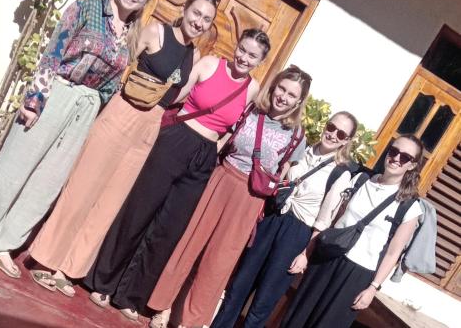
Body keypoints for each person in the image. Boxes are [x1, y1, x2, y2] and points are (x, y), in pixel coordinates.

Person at [0, 0, 157, 279]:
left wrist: (94, 110)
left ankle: (3, 245)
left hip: (84, 109)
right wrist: (34, 99)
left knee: (45, 185)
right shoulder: (88, 6)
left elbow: (112, 83)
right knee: (14, 169)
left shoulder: (132, 35)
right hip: (57, 94)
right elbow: (54, 51)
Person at [28, 0, 219, 297]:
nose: (199, 21)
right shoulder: (154, 32)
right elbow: (118, 66)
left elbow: (177, 97)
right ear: (185, 9)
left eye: (206, 19)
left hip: (150, 125)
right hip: (123, 112)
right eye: (196, 13)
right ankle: (47, 257)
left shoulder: (194, 55)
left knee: (110, 201)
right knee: (83, 187)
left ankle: (69, 269)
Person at [84, 28, 270, 322]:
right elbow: (177, 96)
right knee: (139, 211)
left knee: (167, 229)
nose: (243, 58)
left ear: (260, 61)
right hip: (176, 140)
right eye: (242, 49)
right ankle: (103, 281)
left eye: (252, 55)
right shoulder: (210, 64)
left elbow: (237, 128)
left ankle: (131, 296)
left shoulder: (252, 89)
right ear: (236, 46)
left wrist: (215, 148)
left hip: (204, 156)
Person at [147, 65, 311, 328]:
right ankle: (163, 306)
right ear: (274, 86)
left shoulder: (297, 135)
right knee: (189, 244)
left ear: (299, 101)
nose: (283, 97)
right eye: (281, 88)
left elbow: (284, 175)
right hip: (222, 180)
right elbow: (224, 140)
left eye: (292, 94)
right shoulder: (251, 110)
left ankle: (189, 322)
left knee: (219, 264)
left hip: (250, 199)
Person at [212, 111, 359, 328]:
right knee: (239, 286)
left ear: (346, 140)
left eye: (341, 133)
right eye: (331, 127)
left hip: (298, 234)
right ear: (325, 126)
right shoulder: (301, 150)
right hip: (273, 219)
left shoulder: (340, 173)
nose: (333, 135)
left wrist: (305, 254)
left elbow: (324, 220)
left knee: (264, 300)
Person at [280, 134, 425, 328]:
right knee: (296, 317)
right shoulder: (361, 180)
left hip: (357, 274)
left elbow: (393, 253)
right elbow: (331, 218)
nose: (397, 158)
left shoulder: (409, 207)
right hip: (327, 258)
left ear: (413, 165)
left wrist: (373, 288)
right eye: (394, 151)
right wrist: (309, 251)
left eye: (406, 157)